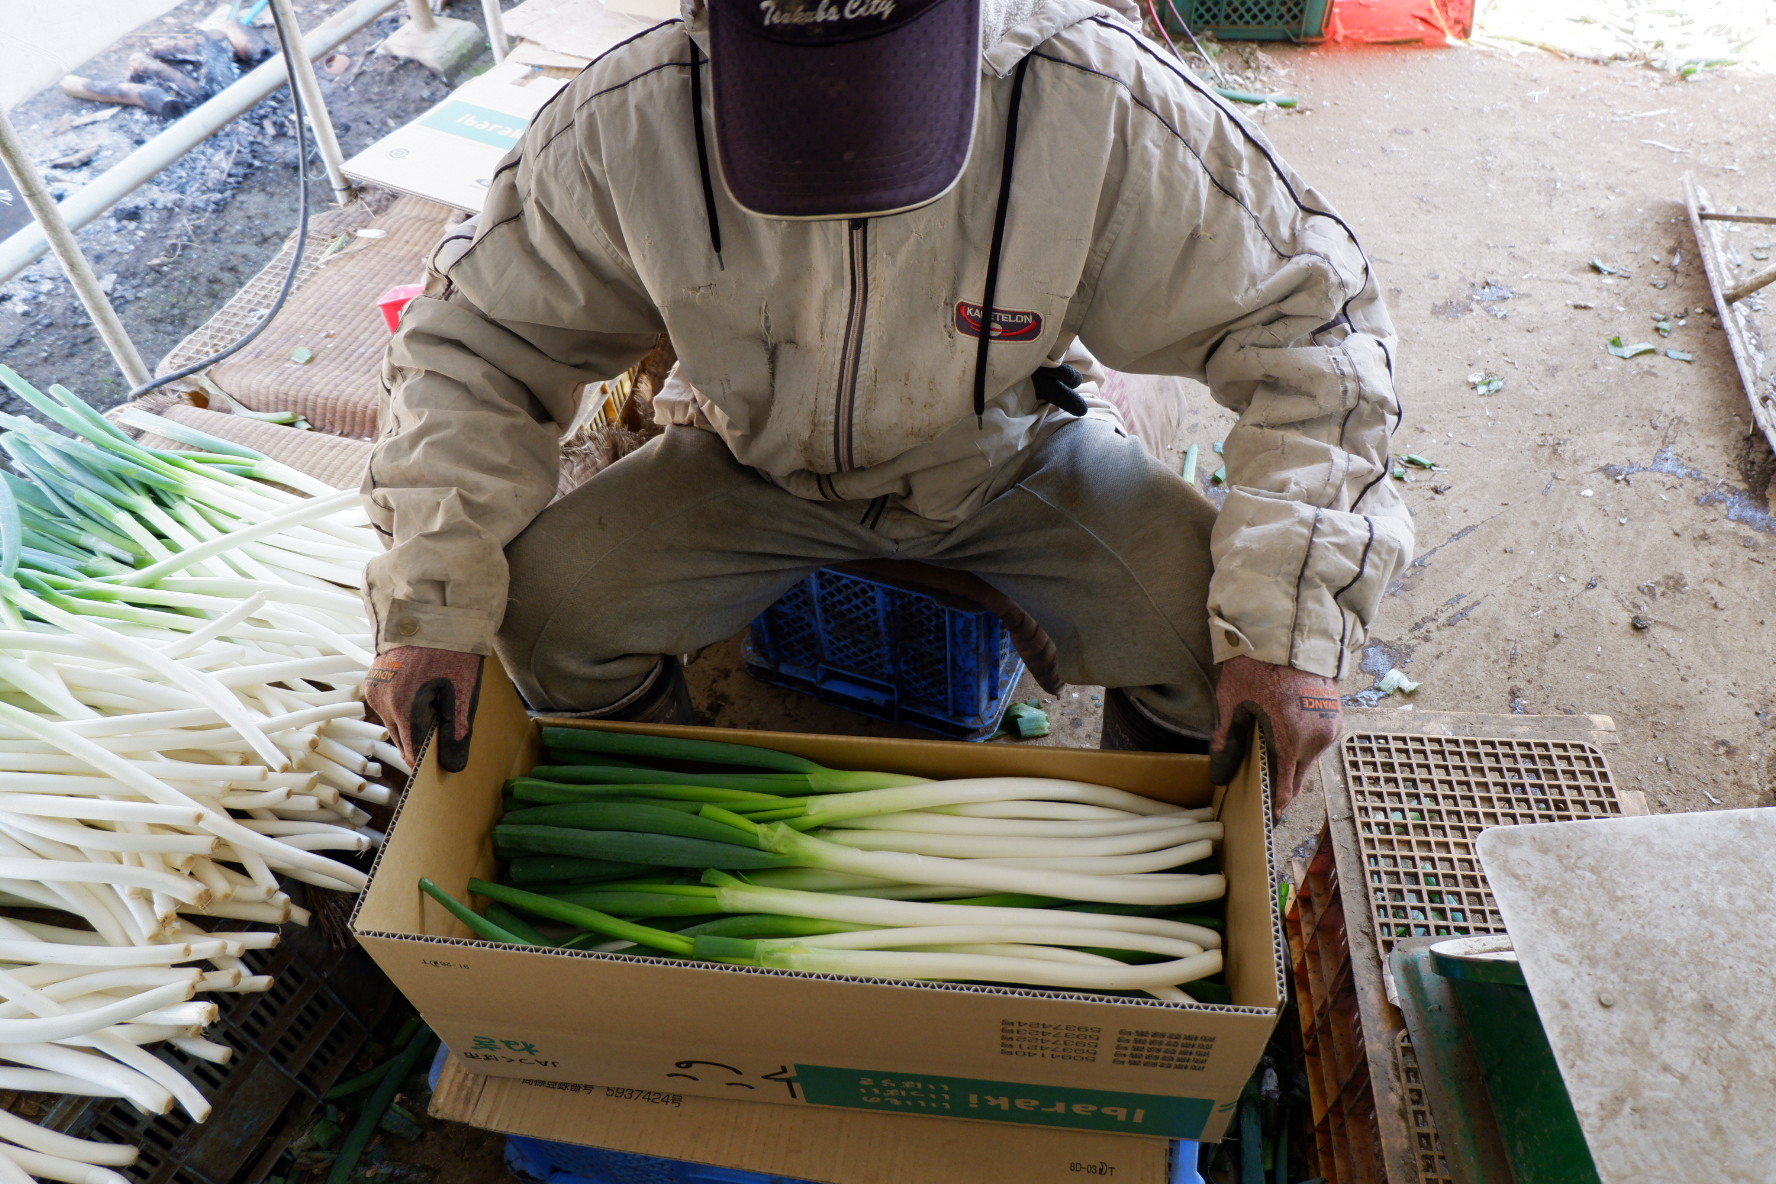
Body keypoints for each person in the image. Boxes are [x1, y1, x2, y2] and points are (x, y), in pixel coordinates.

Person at [361, 0, 1414, 811]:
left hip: (1008, 458)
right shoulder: (626, 122)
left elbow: (1316, 333)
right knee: (545, 617)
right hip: (750, 466)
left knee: (1215, 642)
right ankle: (682, 816)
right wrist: (427, 608)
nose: (848, 145)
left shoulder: (1096, 103)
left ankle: (1163, 842)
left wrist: (1285, 631)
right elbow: (473, 342)